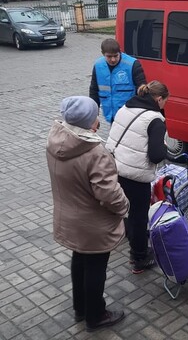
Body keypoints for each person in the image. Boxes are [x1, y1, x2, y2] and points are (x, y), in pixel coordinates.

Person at [46, 96, 129, 332]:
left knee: (80, 259)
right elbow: (109, 195)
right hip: (93, 224)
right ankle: (96, 315)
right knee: (95, 267)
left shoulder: (55, 141)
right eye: (94, 117)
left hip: (69, 217)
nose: (97, 121)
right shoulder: (95, 153)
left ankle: (80, 307)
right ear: (87, 122)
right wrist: (125, 207)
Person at [106, 80, 169, 274]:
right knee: (139, 215)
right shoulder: (155, 119)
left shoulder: (127, 106)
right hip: (135, 173)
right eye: (166, 101)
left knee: (126, 210)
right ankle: (140, 256)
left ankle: (128, 238)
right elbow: (156, 155)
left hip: (113, 164)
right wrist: (166, 147)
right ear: (159, 99)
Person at [89, 38, 147, 124]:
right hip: (111, 114)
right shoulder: (98, 65)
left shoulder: (132, 64)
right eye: (109, 56)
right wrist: (93, 115)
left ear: (120, 52)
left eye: (116, 56)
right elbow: (94, 90)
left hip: (130, 115)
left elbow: (143, 91)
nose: (113, 59)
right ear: (103, 54)